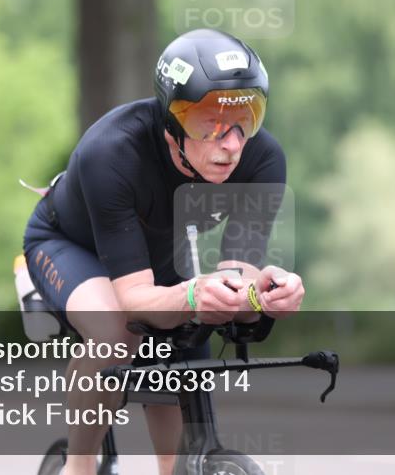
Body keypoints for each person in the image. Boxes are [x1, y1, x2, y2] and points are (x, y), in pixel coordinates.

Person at [23, 28, 305, 475]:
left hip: (157, 253)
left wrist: (262, 294)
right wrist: (193, 296)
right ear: (172, 120)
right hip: (71, 245)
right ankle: (79, 466)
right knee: (119, 331)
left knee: (183, 348)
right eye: (209, 122)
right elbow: (135, 299)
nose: (231, 142)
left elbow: (237, 272)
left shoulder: (263, 158)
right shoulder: (112, 152)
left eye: (246, 117)